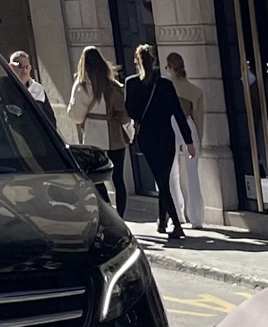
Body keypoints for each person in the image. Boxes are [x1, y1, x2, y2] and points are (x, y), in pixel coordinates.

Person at [124, 45, 195, 242]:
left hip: (147, 136)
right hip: (166, 136)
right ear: (154, 61)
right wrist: (188, 140)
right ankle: (163, 221)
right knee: (162, 178)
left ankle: (176, 225)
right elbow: (178, 113)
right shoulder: (165, 84)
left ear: (137, 61)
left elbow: (131, 111)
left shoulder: (131, 84)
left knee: (161, 180)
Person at [66, 47, 131, 212]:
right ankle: (121, 215)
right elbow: (123, 111)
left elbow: (76, 115)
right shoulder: (114, 86)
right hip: (115, 135)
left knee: (96, 178)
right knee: (118, 179)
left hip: (93, 136)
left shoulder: (82, 86)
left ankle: (107, 208)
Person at [163, 52, 205, 234]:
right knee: (192, 175)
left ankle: (178, 215)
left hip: (170, 127)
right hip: (189, 125)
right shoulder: (194, 91)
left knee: (172, 174)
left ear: (170, 68)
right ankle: (196, 217)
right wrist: (198, 140)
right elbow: (199, 118)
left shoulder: (165, 88)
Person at [7, 51, 57, 136]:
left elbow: (50, 119)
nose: (24, 70)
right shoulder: (3, 87)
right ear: (11, 67)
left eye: (27, 67)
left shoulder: (38, 89)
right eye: (20, 66)